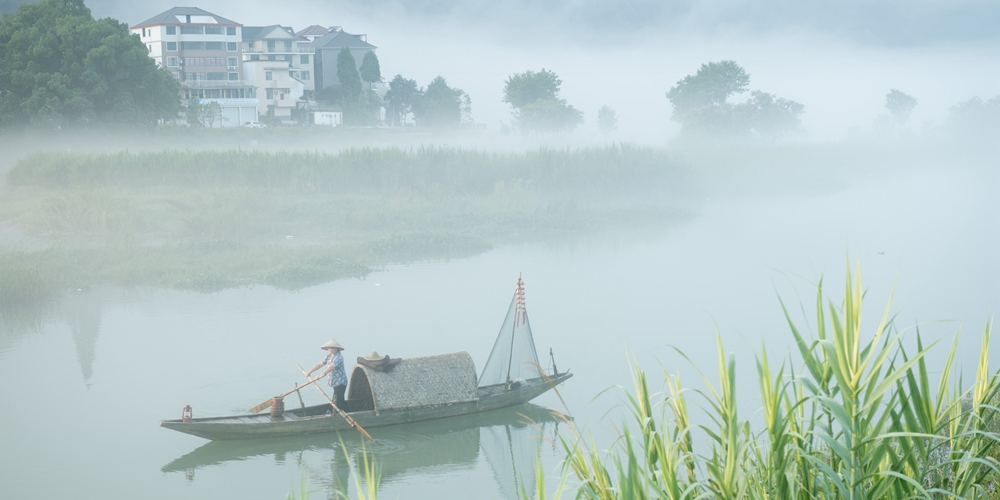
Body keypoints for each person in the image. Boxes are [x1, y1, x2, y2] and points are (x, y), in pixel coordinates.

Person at [304, 339, 348, 409]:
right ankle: (346, 410)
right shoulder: (329, 356)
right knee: (339, 400)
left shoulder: (339, 357)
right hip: (335, 382)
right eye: (329, 348)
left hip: (340, 382)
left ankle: (339, 414)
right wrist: (310, 371)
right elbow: (320, 364)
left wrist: (320, 374)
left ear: (337, 348)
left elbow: (331, 367)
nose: (330, 350)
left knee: (337, 401)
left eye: (332, 348)